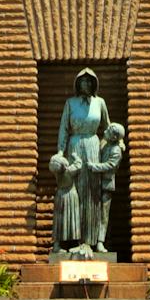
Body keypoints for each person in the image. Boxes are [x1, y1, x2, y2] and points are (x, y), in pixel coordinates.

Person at [49, 68, 107, 250]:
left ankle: (93, 241)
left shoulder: (100, 103)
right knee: (75, 194)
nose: (86, 84)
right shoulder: (70, 103)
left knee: (93, 193)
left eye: (90, 81)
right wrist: (60, 151)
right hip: (74, 146)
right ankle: (75, 239)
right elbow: (63, 129)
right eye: (83, 81)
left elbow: (107, 129)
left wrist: (110, 147)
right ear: (78, 84)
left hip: (93, 147)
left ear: (94, 84)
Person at [86, 122, 127, 255]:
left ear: (114, 137)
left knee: (103, 216)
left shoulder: (116, 150)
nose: (106, 129)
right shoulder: (105, 144)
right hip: (96, 184)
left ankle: (100, 242)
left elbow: (110, 166)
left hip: (106, 185)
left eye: (109, 130)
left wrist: (94, 166)